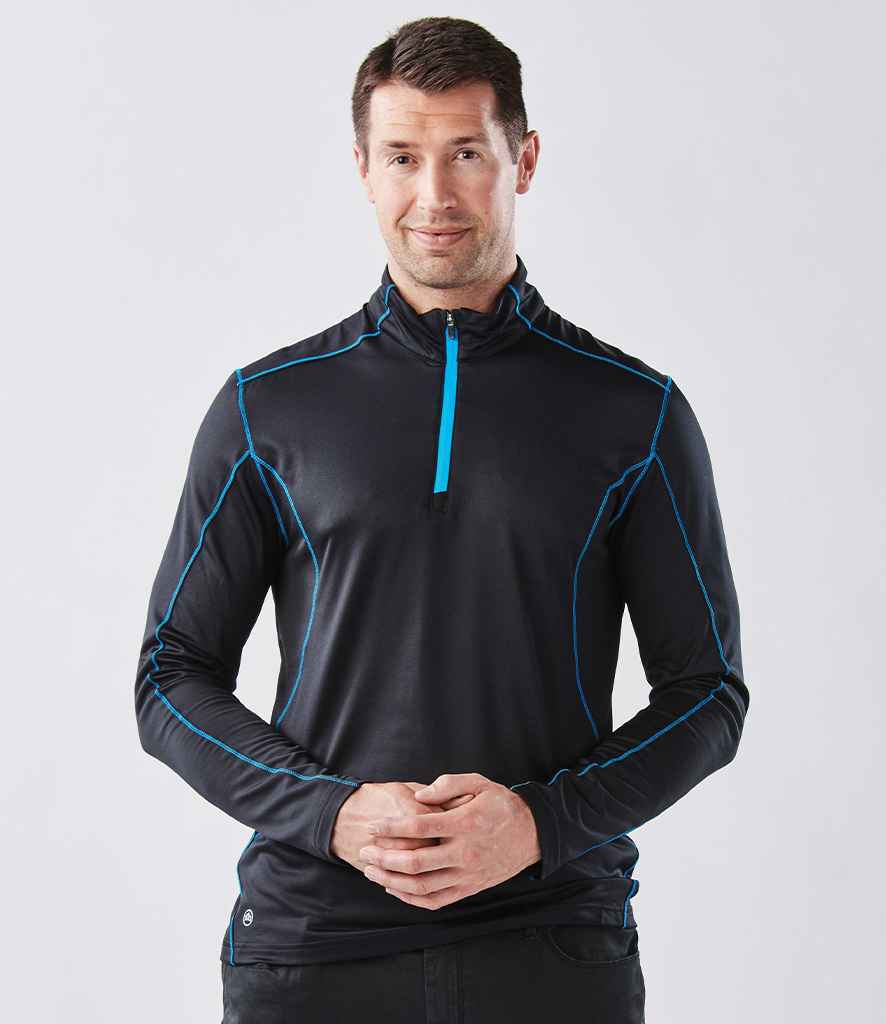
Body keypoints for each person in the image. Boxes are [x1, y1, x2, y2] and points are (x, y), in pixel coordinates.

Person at [134, 15, 749, 1023]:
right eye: (402, 158)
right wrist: (330, 813)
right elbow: (169, 677)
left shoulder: (633, 413)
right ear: (362, 169)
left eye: (465, 153)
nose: (434, 196)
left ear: (523, 159)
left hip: (553, 945)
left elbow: (707, 693)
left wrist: (541, 823)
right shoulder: (266, 408)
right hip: (310, 947)